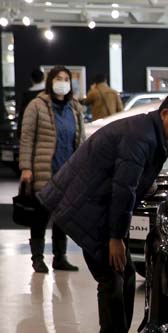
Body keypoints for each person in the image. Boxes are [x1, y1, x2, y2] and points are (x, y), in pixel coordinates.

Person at [38, 91, 168, 333]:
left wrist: (147, 184)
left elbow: (128, 182)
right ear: (165, 114)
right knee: (112, 276)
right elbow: (123, 190)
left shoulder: (146, 131)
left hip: (90, 203)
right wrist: (116, 238)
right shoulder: (141, 137)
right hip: (86, 207)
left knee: (123, 273)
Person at [19, 66, 85, 274]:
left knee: (63, 217)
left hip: (68, 171)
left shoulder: (75, 108)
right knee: (40, 216)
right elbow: (27, 137)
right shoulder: (36, 106)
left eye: (66, 78)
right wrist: (26, 167)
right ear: (50, 81)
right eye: (58, 78)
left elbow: (81, 140)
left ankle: (60, 257)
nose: (63, 82)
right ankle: (37, 258)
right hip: (44, 170)